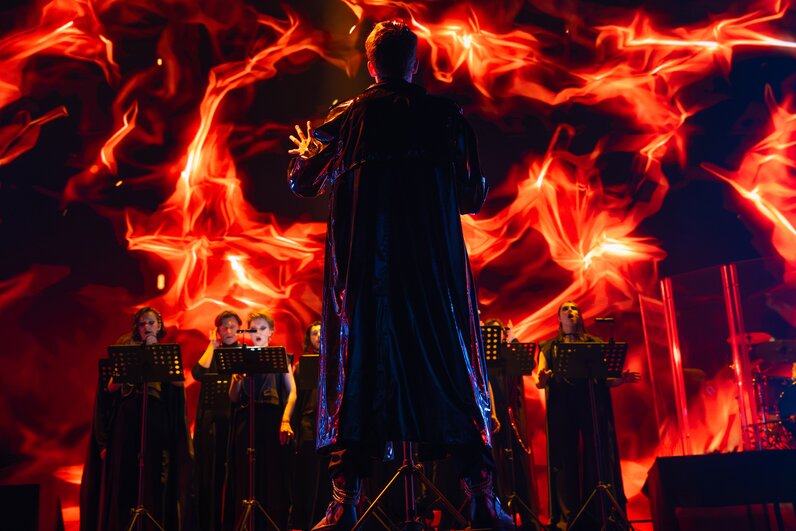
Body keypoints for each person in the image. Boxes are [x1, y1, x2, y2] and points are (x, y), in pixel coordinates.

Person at [287, 20, 512, 530]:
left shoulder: (346, 117)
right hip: (433, 274)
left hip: (366, 277)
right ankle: (480, 497)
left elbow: (303, 182)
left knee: (357, 372)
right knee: (452, 368)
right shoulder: (445, 116)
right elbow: (471, 197)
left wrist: (306, 154)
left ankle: (344, 502)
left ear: (371, 66)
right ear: (414, 64)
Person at [82, 307, 192, 530]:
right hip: (128, 410)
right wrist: (129, 368)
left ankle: (151, 521)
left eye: (151, 323)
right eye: (142, 323)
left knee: (153, 469)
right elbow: (110, 387)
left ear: (159, 326)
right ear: (137, 327)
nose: (147, 327)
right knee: (126, 470)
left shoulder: (163, 351)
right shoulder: (126, 346)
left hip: (155, 412)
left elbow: (179, 383)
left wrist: (154, 353)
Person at [536, 302, 640, 530]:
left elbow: (605, 380)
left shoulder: (594, 343)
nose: (570, 312)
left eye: (574, 309)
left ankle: (602, 513)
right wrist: (543, 378)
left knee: (598, 454)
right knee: (565, 460)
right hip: (563, 408)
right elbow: (539, 380)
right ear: (559, 319)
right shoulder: (549, 347)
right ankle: (568, 517)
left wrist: (621, 379)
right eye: (565, 309)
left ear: (580, 316)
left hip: (592, 404)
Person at [223, 309, 297, 530]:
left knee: (271, 472)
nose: (257, 332)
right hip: (246, 418)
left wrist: (285, 419)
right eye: (253, 329)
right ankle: (246, 522)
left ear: (271, 332)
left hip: (271, 417)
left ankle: (270, 523)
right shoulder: (241, 356)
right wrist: (236, 380)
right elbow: (233, 397)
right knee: (245, 471)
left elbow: (292, 392)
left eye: (262, 328)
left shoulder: (279, 356)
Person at [192, 310, 243, 531]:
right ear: (218, 330)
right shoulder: (214, 352)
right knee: (210, 473)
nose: (229, 330)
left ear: (239, 328)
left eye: (233, 326)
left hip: (234, 421)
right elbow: (197, 373)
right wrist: (212, 345)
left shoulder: (243, 353)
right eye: (224, 326)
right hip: (211, 421)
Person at [289, 321, 332, 530]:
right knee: (308, 475)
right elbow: (296, 399)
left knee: (327, 474)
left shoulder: (334, 363)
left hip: (329, 426)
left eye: (321, 332)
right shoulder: (300, 366)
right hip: (308, 425)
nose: (318, 336)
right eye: (314, 333)